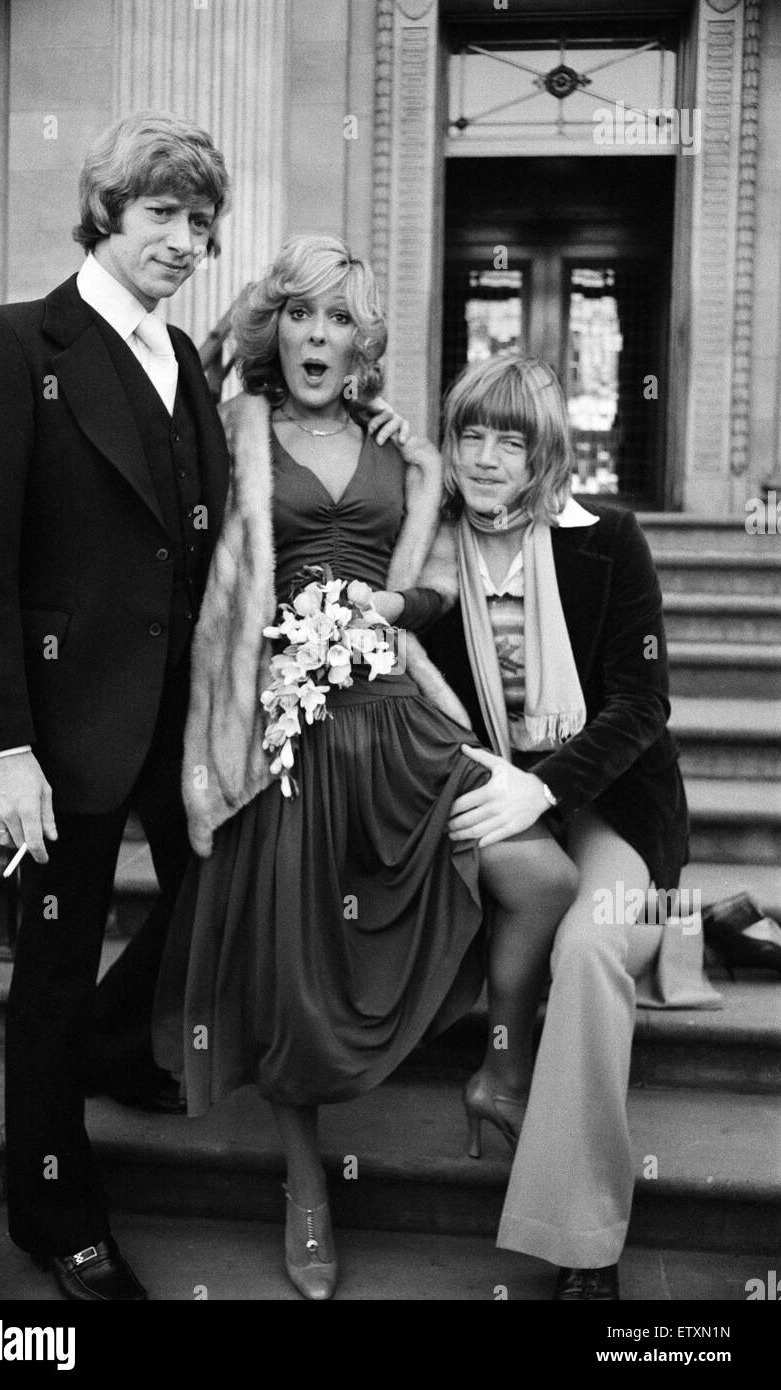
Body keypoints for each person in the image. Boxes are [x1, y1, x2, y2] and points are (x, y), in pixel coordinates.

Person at [152, 235, 578, 1300]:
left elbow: (434, 579)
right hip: (280, 722)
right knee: (292, 965)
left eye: (340, 320)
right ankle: (304, 1189)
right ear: (276, 328)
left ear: (362, 345)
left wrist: (384, 605)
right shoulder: (229, 430)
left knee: (540, 877)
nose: (319, 336)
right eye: (301, 315)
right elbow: (189, 438)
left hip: (389, 705)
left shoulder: (406, 451)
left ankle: (496, 1070)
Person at [0, 112, 231, 1300]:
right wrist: (2, 745)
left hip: (172, 715)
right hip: (55, 726)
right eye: (162, 214)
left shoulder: (184, 360)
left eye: (201, 224)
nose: (183, 241)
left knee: (228, 881)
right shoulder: (10, 344)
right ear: (107, 209)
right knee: (53, 963)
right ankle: (55, 1210)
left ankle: (118, 1040)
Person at [420, 354, 690, 1301]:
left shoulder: (607, 540)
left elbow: (640, 703)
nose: (487, 457)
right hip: (479, 798)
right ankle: (496, 1072)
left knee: (587, 952)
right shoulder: (424, 551)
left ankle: (582, 1244)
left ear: (545, 453)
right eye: (470, 434)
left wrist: (544, 789)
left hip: (610, 804)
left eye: (512, 438)